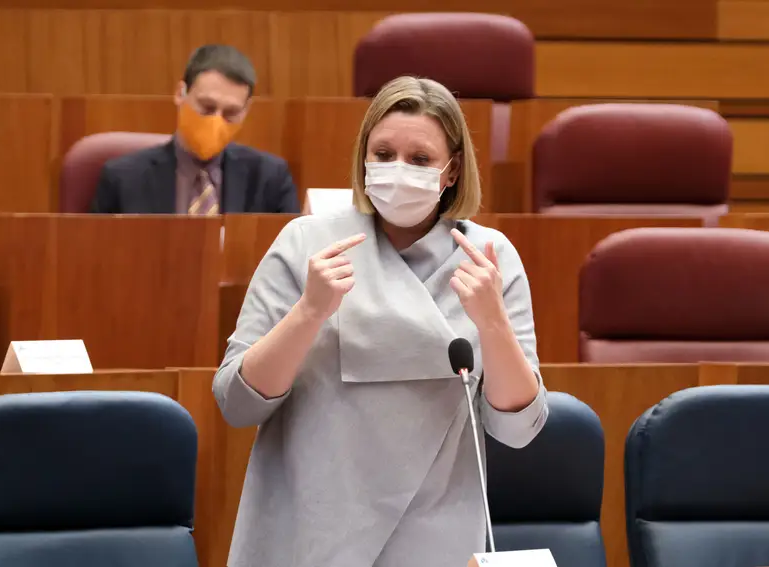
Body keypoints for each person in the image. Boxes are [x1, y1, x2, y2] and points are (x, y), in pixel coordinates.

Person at [213, 76, 548, 567]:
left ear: (451, 170)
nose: (398, 170)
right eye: (384, 153)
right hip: (308, 528)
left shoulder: (488, 258)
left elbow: (519, 430)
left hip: (433, 533)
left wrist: (494, 325)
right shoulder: (305, 243)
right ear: (363, 158)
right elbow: (237, 404)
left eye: (419, 160)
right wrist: (309, 312)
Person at [89, 45, 300, 215]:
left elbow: (290, 261)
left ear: (247, 110)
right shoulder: (123, 178)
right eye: (207, 107)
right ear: (180, 93)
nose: (216, 121)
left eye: (231, 113)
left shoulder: (270, 178)